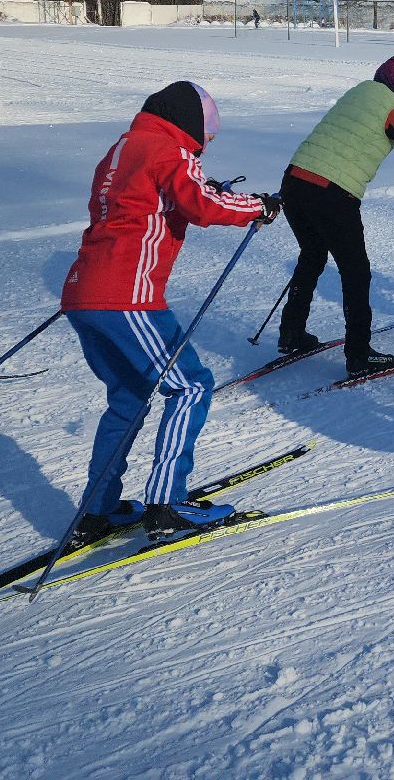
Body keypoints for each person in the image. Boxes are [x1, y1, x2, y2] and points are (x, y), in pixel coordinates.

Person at [60, 81, 278, 540]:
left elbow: (149, 200)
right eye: (205, 137)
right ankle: (166, 503)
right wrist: (258, 206)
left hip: (84, 294)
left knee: (128, 396)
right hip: (129, 297)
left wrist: (202, 187)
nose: (204, 147)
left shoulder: (123, 148)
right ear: (190, 122)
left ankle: (97, 510)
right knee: (191, 385)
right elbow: (201, 204)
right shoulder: (169, 149)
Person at [278, 55, 394, 376]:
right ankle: (359, 353)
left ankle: (292, 331)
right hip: (331, 192)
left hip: (294, 181)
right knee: (356, 272)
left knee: (313, 254)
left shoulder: (358, 92)